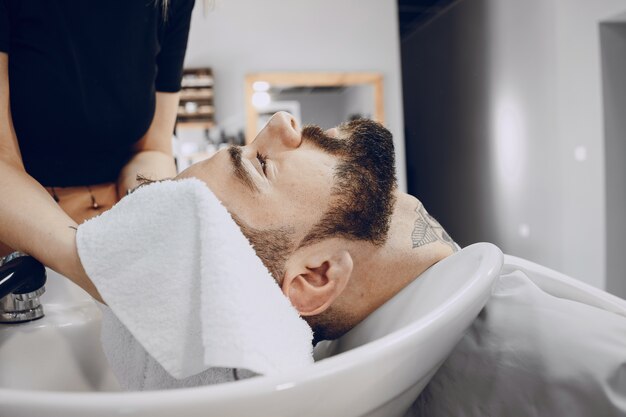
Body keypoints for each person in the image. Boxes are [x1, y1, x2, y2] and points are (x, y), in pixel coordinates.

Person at [0, 0, 195, 288]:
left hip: (109, 233)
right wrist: (89, 262)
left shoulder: (170, 5)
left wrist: (153, 225)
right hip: (14, 240)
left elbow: (152, 149)